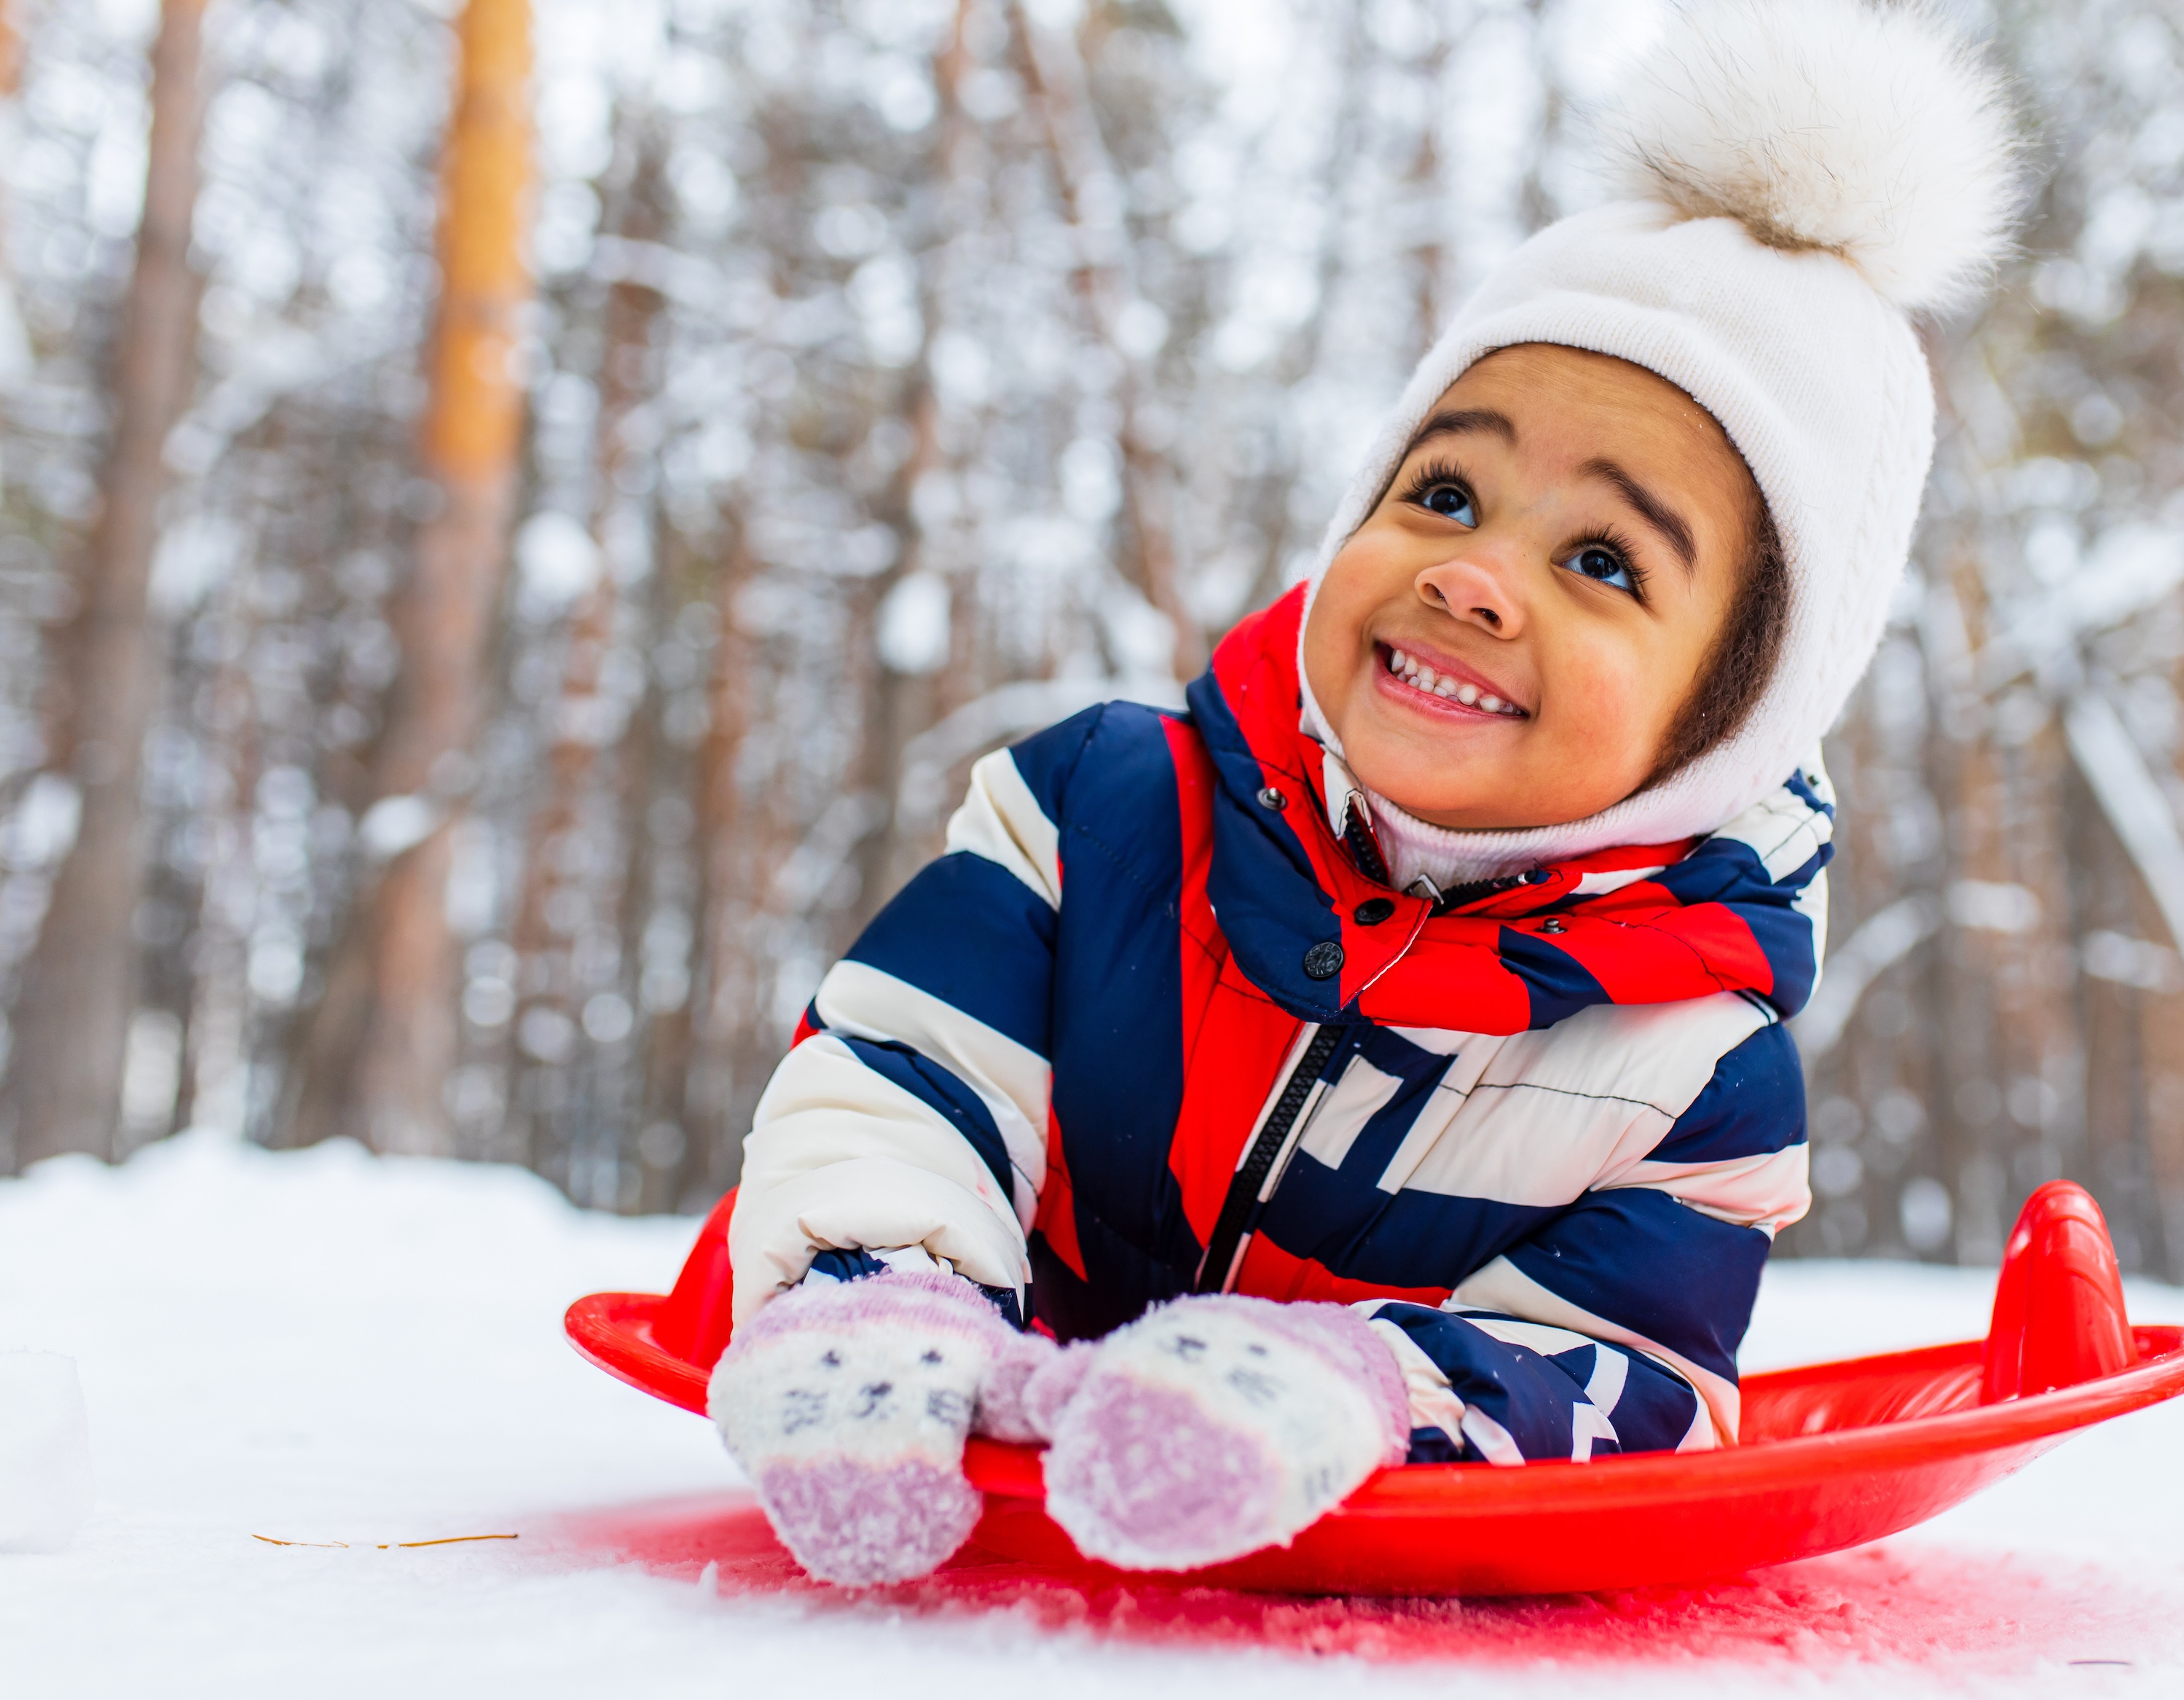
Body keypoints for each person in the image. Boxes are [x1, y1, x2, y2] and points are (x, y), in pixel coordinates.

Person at [705, 0, 2024, 1587]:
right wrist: (873, 1293)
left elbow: (1628, 1382)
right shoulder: (1098, 814)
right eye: (1443, 491)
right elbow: (902, 1075)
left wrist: (1354, 1398)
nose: (1472, 574)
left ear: (1733, 711)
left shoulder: (1690, 1072)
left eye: (1601, 561)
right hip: (992, 1485)